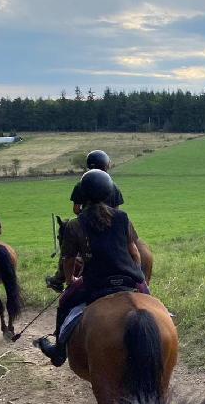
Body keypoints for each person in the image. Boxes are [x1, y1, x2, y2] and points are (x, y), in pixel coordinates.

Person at [36, 169, 147, 367]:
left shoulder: (75, 225)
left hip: (97, 282)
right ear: (109, 193)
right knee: (150, 299)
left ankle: (59, 350)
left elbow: (68, 259)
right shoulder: (123, 217)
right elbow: (135, 253)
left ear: (83, 195)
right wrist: (138, 275)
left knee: (65, 303)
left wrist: (71, 281)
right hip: (129, 279)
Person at [46, 150, 125, 291]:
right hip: (113, 225)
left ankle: (59, 278)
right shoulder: (114, 186)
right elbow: (116, 210)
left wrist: (86, 217)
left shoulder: (81, 185)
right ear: (106, 165)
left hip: (86, 224)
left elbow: (76, 209)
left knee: (68, 247)